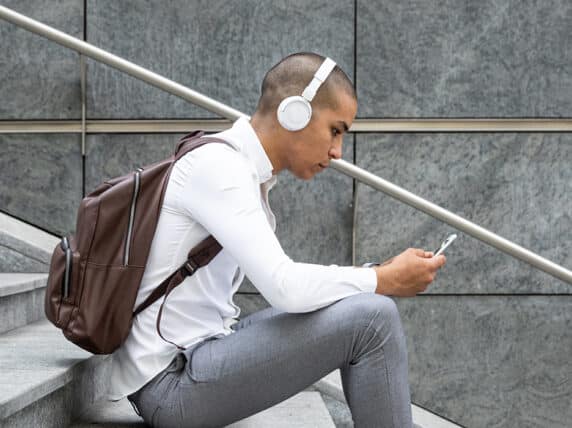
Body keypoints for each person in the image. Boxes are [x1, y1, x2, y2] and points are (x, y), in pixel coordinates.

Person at [111, 52, 446, 427]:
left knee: (363, 303)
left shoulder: (234, 166)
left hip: (198, 352)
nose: (337, 152)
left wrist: (372, 278)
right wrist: (383, 281)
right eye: (335, 130)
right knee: (373, 317)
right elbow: (285, 287)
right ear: (294, 113)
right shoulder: (221, 168)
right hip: (170, 383)